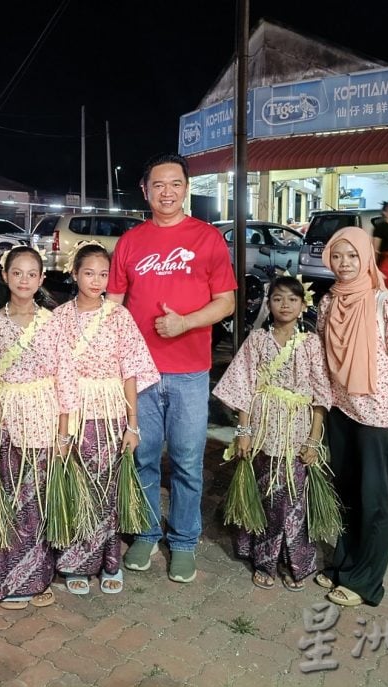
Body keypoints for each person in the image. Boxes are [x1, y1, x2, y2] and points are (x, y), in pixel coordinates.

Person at [106, 153, 236, 583]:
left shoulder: (207, 239)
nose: (167, 192)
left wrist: (185, 322)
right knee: (143, 457)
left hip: (189, 372)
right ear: (145, 190)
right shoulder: (130, 241)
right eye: (158, 185)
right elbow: (113, 305)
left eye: (175, 184)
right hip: (139, 375)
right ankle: (145, 532)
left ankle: (183, 541)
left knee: (185, 460)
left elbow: (226, 302)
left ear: (186, 188)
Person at [315, 226, 388, 608]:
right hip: (340, 407)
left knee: (373, 497)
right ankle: (344, 566)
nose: (344, 264)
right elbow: (322, 356)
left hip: (377, 414)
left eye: (352, 256)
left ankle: (367, 582)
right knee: (345, 493)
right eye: (337, 256)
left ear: (365, 257)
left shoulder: (386, 304)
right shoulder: (329, 302)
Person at [52, 241, 159, 596]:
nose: (96, 281)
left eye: (103, 274)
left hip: (110, 411)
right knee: (76, 485)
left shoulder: (118, 316)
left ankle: (109, 561)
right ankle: (75, 562)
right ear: (74, 275)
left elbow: (130, 372)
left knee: (109, 489)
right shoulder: (58, 318)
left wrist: (133, 424)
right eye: (88, 273)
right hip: (73, 411)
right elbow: (53, 374)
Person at [212, 276, 331, 590]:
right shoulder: (257, 341)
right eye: (278, 299)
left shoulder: (311, 344)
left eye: (292, 299)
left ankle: (297, 562)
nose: (285, 305)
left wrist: (314, 439)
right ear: (269, 304)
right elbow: (243, 391)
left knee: (293, 499)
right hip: (264, 429)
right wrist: (243, 433)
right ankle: (264, 559)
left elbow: (320, 395)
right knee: (267, 495)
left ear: (303, 304)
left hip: (298, 428)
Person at [0, 246, 78, 610]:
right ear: (5, 277)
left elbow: (65, 379)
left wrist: (64, 433)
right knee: (8, 498)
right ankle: (4, 578)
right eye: (16, 273)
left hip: (44, 418)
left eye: (31, 274)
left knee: (37, 500)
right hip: (6, 419)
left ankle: (37, 577)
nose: (23, 280)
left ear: (41, 280)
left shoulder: (52, 323)